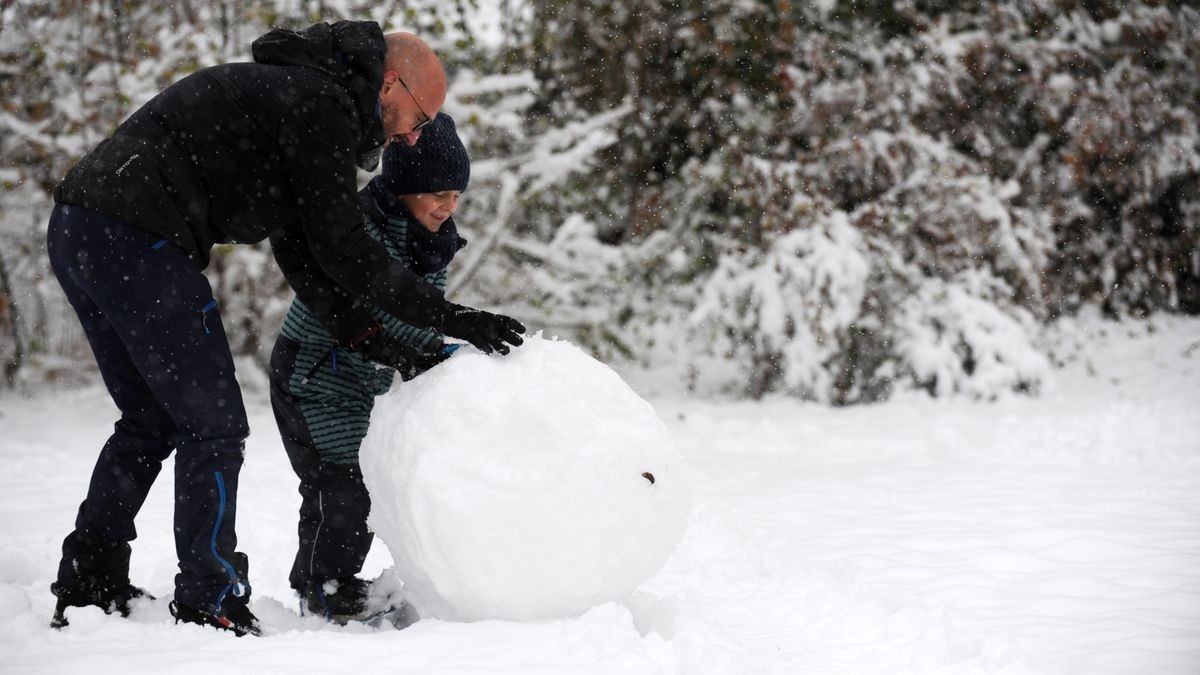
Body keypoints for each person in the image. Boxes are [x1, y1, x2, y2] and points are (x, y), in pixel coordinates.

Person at [45, 21, 524, 637]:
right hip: (135, 234)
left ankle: (91, 577)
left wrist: (367, 337)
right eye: (417, 116)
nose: (410, 135)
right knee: (213, 424)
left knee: (151, 419)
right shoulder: (318, 103)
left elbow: (304, 250)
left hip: (82, 227)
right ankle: (209, 596)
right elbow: (344, 244)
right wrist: (451, 317)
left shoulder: (299, 98)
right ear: (388, 82)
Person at [269, 112, 472, 624]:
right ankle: (323, 589)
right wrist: (427, 351)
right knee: (341, 485)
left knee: (356, 483)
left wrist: (438, 353)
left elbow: (420, 307)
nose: (449, 207)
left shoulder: (429, 239)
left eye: (456, 195)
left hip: (359, 381)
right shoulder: (366, 232)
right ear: (404, 187)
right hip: (314, 374)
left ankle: (330, 581)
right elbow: (384, 305)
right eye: (437, 194)